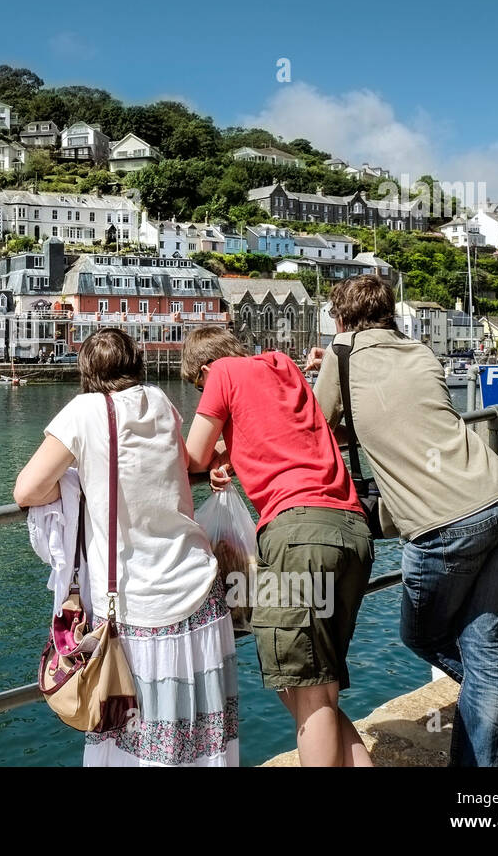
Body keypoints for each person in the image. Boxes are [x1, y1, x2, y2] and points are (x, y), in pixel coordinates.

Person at [309, 275, 498, 767]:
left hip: (448, 525)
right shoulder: (420, 352)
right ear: (391, 315)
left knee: (426, 636)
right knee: (485, 655)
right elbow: (409, 416)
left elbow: (316, 423)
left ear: (341, 318)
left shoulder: (342, 350)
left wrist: (325, 370)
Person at [14, 327, 239, 766]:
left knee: (143, 750)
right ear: (136, 363)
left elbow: (27, 489)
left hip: (141, 609)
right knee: (199, 742)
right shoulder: (160, 401)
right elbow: (180, 462)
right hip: (200, 592)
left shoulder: (83, 411)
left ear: (87, 371)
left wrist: (73, 485)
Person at [181, 326, 373, 767]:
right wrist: (231, 453)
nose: (201, 391)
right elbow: (281, 430)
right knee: (315, 688)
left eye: (197, 385)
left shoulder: (223, 373)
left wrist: (210, 454)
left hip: (297, 536)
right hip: (349, 530)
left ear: (206, 370)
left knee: (308, 694)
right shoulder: (282, 366)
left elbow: (191, 456)